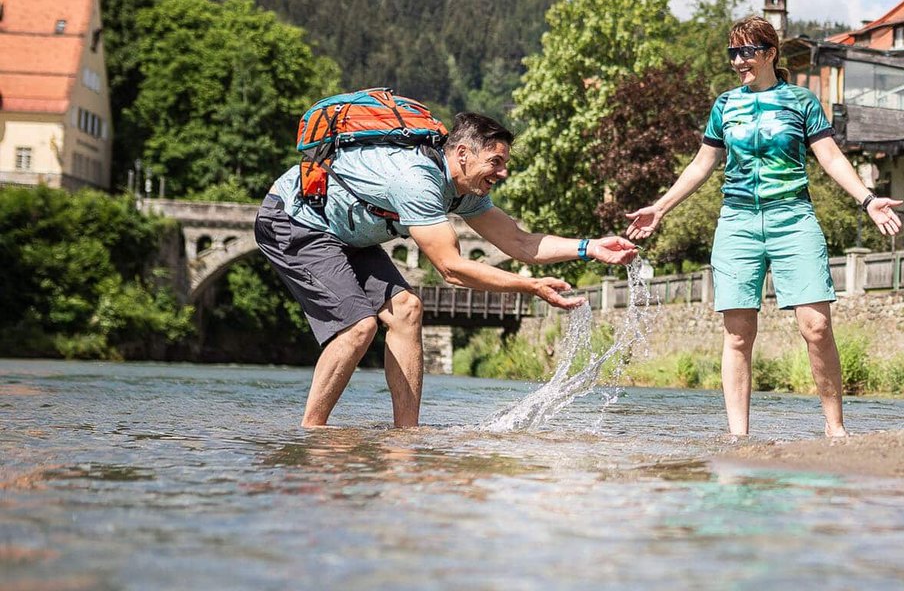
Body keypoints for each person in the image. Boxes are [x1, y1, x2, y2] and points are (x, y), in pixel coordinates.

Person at [255, 110, 639, 428]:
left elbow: (520, 243)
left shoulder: (463, 191)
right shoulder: (417, 182)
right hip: (294, 220)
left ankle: (406, 434)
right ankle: (312, 432)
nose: (502, 172)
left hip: (347, 235)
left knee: (406, 310)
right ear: (461, 155)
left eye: (504, 163)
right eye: (496, 162)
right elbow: (451, 269)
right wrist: (530, 287)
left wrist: (590, 247)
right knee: (359, 327)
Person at [622, 16, 903, 438]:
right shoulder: (725, 105)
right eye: (733, 53)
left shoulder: (801, 101)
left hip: (793, 218)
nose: (738, 61)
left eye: (746, 52)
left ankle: (836, 429)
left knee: (817, 327)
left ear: (770, 53)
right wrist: (661, 208)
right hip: (737, 221)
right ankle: (739, 437)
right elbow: (702, 164)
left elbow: (829, 157)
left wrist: (866, 199)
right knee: (738, 335)